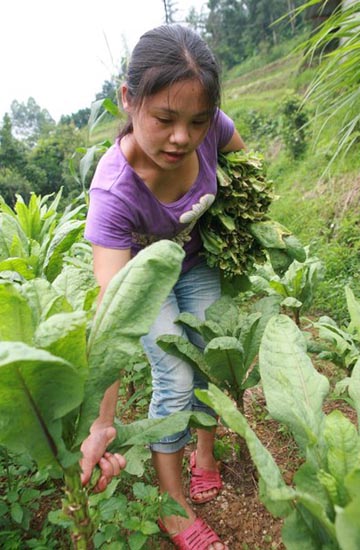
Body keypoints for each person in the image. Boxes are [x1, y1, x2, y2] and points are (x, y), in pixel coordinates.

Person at [81, 23, 245, 550]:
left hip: (197, 265)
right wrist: (102, 423)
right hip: (146, 285)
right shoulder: (114, 192)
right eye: (165, 119)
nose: (182, 137)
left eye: (197, 121)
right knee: (174, 377)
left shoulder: (212, 129)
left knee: (209, 357)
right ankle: (173, 509)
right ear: (129, 101)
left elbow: (245, 170)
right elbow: (113, 312)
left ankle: (204, 454)